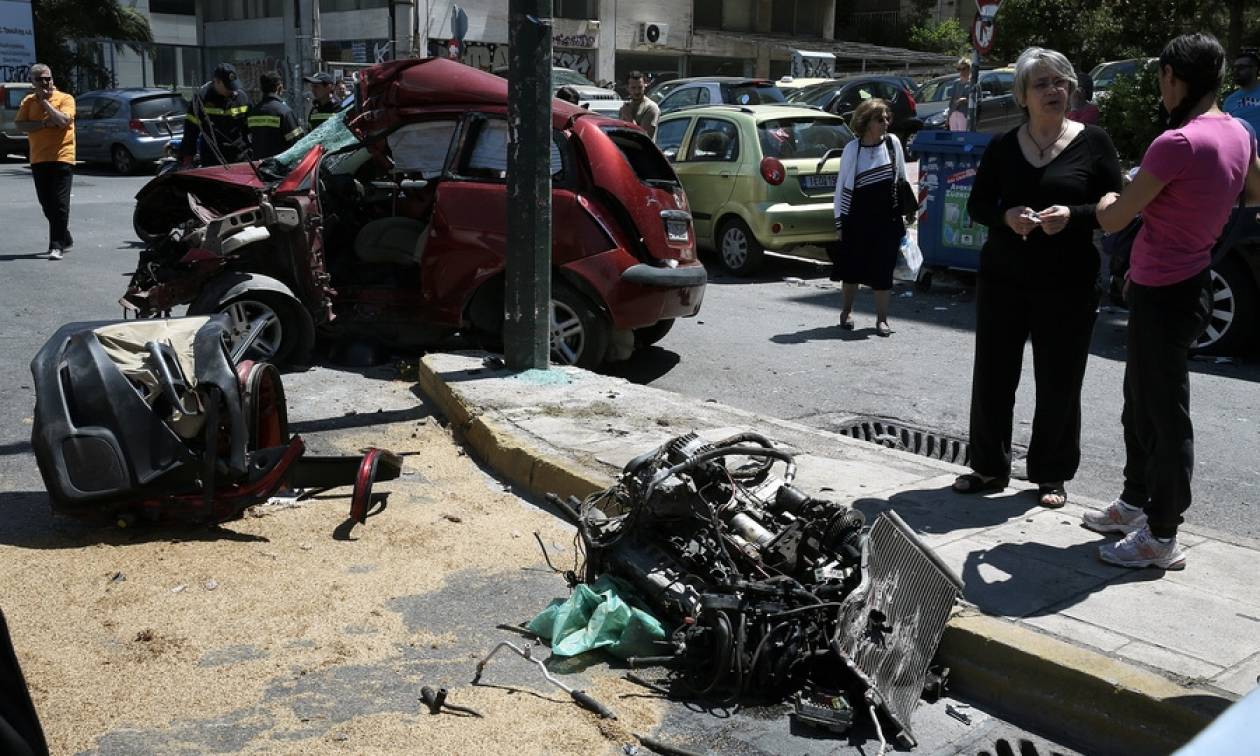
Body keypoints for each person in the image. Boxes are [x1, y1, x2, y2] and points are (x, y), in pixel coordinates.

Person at [1091, 34, 1260, 570]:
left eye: (1162, 78)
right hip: (1178, 283)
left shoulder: (1179, 142)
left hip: (1169, 290)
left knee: (1164, 414)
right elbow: (1255, 193)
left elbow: (1115, 217)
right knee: (1139, 400)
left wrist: (1107, 198)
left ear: (1172, 76)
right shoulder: (1238, 133)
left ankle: (1162, 535)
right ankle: (1135, 504)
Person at [953, 47, 1121, 509]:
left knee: (1060, 380)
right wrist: (1006, 216)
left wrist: (1075, 214)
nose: (1053, 91)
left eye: (1060, 82)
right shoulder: (1004, 146)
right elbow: (978, 205)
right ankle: (988, 466)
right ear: (1022, 95)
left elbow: (1117, 205)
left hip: (1068, 282)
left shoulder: (1094, 142)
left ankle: (1051, 474)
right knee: (993, 374)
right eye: (1042, 84)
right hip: (1004, 277)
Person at [830, 99, 913, 337]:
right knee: (851, 270)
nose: (886, 123)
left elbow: (902, 178)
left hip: (886, 219)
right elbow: (840, 189)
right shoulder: (852, 149)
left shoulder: (893, 144)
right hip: (857, 218)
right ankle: (846, 312)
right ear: (866, 123)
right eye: (880, 119)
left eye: (887, 118)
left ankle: (882, 320)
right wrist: (840, 222)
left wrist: (907, 212)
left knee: (883, 271)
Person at [14, 63, 76, 260]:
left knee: (59, 203)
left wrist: (46, 104)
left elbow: (63, 121)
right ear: (32, 82)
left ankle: (56, 246)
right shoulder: (28, 101)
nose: (45, 82)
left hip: (62, 157)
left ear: (52, 79)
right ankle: (64, 236)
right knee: (46, 203)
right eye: (39, 79)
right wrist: (41, 123)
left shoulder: (65, 98)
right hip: (39, 158)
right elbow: (20, 125)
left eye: (47, 78)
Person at [180, 62, 251, 167]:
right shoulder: (201, 99)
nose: (232, 90)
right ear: (217, 81)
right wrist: (188, 157)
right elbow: (190, 131)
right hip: (213, 159)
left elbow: (250, 128)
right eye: (228, 87)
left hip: (240, 157)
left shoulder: (242, 98)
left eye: (233, 86)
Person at [247, 70, 303, 159]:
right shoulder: (284, 112)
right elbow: (297, 141)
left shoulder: (253, 112)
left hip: (258, 167)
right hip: (278, 168)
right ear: (279, 88)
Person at [1223, 50, 1260, 134]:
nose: (1236, 71)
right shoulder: (1230, 101)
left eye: (1241, 67)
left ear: (1255, 69)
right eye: (1234, 68)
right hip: (1245, 147)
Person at [618, 71, 660, 139]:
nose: (637, 91)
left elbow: (644, 138)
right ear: (627, 88)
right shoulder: (625, 108)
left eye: (640, 87)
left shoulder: (651, 108)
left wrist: (630, 118)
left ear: (645, 86)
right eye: (633, 88)